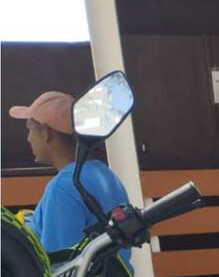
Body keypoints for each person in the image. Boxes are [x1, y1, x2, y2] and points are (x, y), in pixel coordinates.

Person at [8, 91, 130, 265]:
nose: (28, 138)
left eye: (30, 129)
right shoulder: (106, 175)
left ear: (46, 132)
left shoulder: (63, 188)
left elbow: (61, 267)